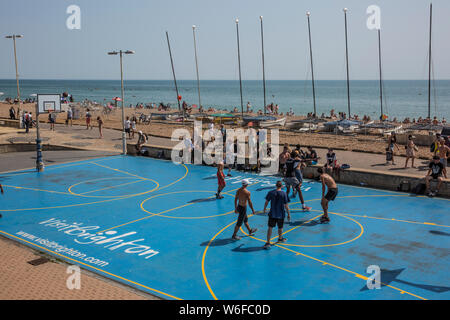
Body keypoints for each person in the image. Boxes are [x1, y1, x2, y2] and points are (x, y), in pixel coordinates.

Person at [263, 181, 290, 249]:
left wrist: (264, 209)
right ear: (282, 186)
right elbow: (286, 205)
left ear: (275, 185)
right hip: (281, 214)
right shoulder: (284, 194)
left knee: (270, 228)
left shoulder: (271, 192)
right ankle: (280, 238)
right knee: (280, 227)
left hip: (272, 213)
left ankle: (268, 242)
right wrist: (288, 214)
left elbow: (266, 201)